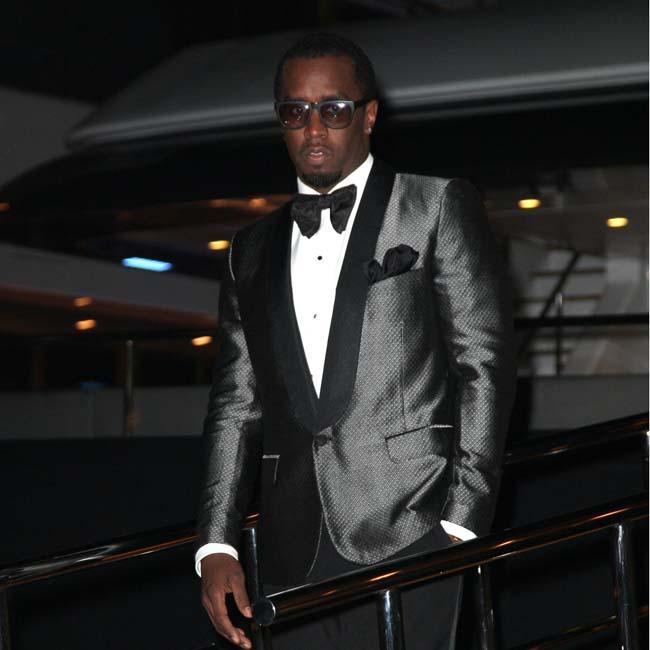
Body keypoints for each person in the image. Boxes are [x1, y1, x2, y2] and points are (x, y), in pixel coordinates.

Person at [195, 32, 516, 650]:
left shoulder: (435, 205)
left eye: (333, 109)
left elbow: (485, 364)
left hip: (415, 530)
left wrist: (462, 522)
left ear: (368, 116)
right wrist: (216, 543)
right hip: (291, 546)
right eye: (295, 111)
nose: (313, 128)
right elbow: (235, 404)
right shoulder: (249, 249)